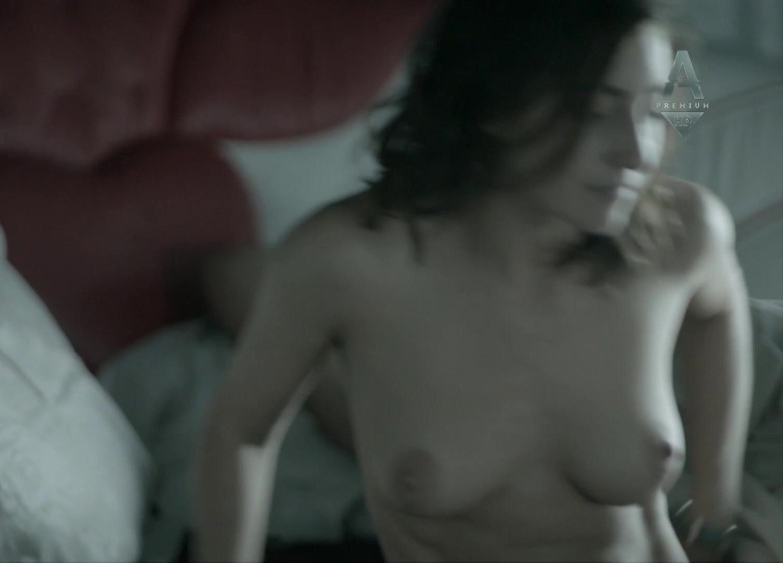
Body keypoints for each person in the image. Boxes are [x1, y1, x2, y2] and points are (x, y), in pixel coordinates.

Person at [194, 1, 754, 561]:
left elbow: (720, 310)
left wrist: (716, 504)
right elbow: (240, 432)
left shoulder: (681, 236)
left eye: (653, 110)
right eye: (592, 112)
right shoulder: (350, 262)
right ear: (495, 104)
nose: (637, 152)